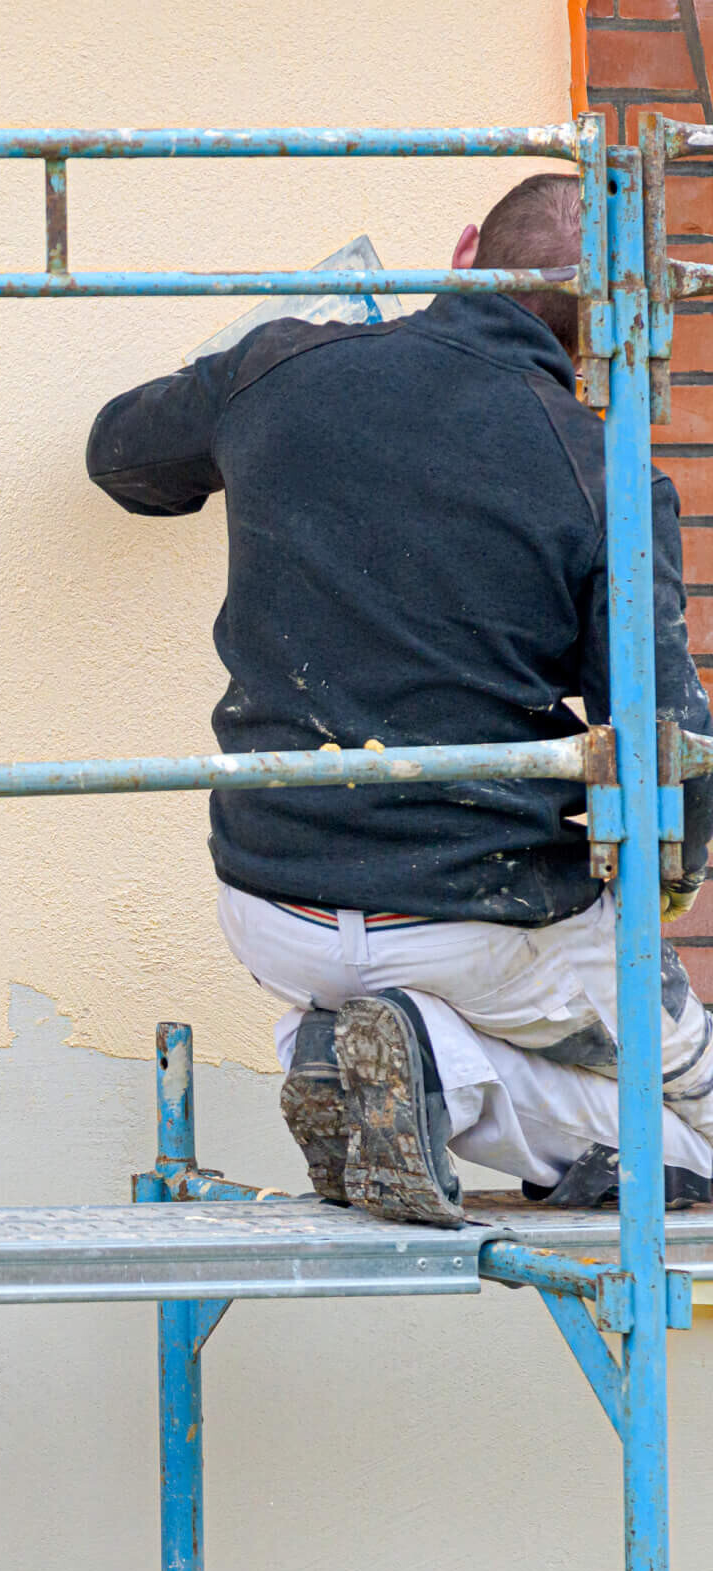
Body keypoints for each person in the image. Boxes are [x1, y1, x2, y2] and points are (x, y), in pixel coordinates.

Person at [86, 172, 713, 1226]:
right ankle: (436, 1064)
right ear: (600, 335)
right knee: (691, 1140)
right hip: (478, 917)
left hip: (268, 896)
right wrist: (664, 881)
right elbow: (660, 749)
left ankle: (349, 1051)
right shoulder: (601, 470)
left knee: (438, 1028)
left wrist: (265, 383)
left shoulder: (281, 363)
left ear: (463, 250)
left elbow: (122, 456)